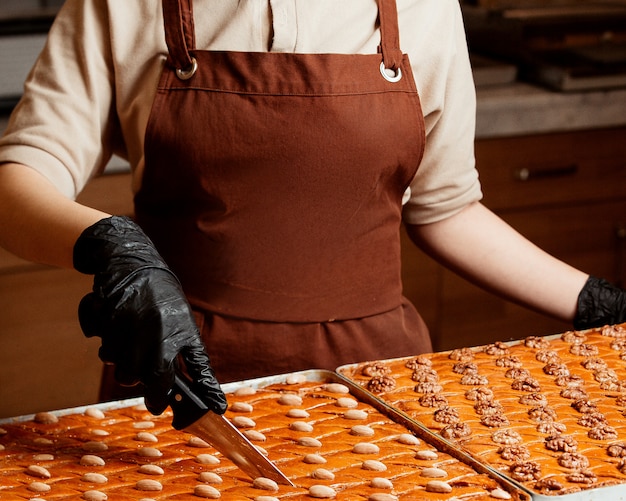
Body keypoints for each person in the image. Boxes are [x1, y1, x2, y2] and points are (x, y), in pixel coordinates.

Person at [0, 0, 624, 416]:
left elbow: (446, 209)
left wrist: (598, 300)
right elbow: (19, 180)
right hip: (180, 388)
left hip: (384, 384)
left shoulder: (423, 7)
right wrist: (110, 244)